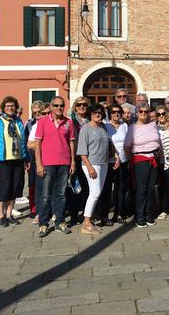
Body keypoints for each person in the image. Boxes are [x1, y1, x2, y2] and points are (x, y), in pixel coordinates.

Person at [34, 96, 76, 238]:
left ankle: (60, 221)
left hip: (64, 163)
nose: (59, 108)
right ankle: (44, 223)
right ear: (51, 106)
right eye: (56, 105)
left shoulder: (68, 122)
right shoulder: (43, 122)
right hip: (48, 163)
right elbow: (37, 144)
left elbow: (71, 143)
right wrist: (39, 163)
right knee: (45, 195)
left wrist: (73, 162)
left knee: (61, 194)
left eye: (61, 105)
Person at [0, 97, 29, 227]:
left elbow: (22, 142)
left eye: (12, 106)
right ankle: (0, 214)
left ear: (15, 108)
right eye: (8, 106)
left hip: (17, 159)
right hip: (2, 159)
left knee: (15, 187)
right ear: (3, 108)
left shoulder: (18, 121)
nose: (10, 108)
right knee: (5, 186)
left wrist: (26, 158)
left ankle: (9, 214)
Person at [78, 104, 119, 235]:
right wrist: (90, 168)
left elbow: (110, 144)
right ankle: (86, 222)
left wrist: (116, 156)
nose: (97, 115)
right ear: (90, 114)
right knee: (94, 192)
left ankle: (89, 220)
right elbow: (82, 152)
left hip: (104, 163)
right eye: (95, 113)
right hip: (91, 164)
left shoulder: (104, 127)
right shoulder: (85, 128)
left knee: (98, 192)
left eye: (100, 113)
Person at [124, 102, 162, 228]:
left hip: (153, 159)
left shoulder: (152, 125)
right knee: (141, 189)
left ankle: (148, 214)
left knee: (151, 189)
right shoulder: (132, 128)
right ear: (137, 113)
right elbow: (127, 147)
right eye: (141, 111)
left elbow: (158, 141)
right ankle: (139, 216)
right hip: (140, 160)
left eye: (146, 111)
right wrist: (133, 159)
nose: (144, 114)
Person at [104, 104, 130, 224]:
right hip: (109, 161)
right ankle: (104, 215)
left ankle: (119, 213)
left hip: (124, 161)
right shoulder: (105, 125)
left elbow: (129, 142)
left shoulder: (125, 125)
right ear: (109, 113)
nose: (116, 114)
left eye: (118, 112)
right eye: (113, 112)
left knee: (121, 188)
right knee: (107, 189)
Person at [67, 97, 91, 226]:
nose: (82, 107)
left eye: (84, 105)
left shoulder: (91, 120)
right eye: (79, 105)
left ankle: (88, 214)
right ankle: (73, 216)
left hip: (90, 158)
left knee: (88, 188)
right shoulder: (71, 121)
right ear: (75, 107)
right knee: (76, 188)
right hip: (76, 158)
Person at [25, 102, 49, 223]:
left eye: (40, 112)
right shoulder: (30, 124)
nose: (38, 115)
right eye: (35, 113)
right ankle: (35, 209)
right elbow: (27, 143)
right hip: (33, 158)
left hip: (48, 158)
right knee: (34, 184)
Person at [154, 104, 169, 220]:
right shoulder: (154, 128)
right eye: (159, 114)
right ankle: (162, 209)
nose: (161, 116)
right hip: (159, 161)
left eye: (163, 113)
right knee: (161, 185)